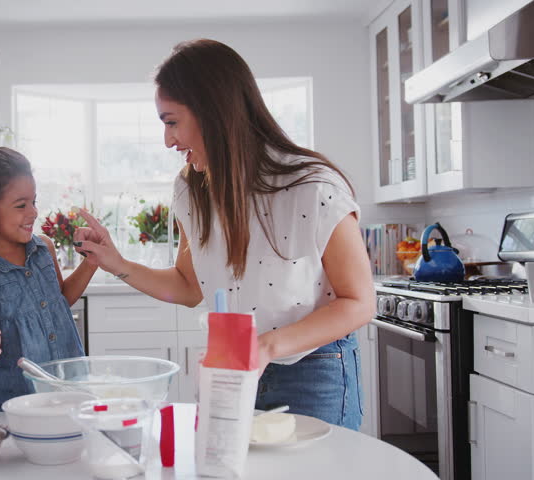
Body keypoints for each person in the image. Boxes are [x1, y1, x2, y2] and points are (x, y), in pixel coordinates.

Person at [73, 39, 375, 430]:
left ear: (212, 112)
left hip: (312, 370)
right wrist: (117, 264)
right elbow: (187, 287)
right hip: (233, 368)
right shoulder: (191, 189)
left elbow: (359, 303)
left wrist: (265, 347)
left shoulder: (313, 187)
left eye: (171, 121)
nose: (168, 140)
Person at [0, 147, 97, 413]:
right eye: (21, 205)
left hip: (65, 391)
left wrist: (91, 261)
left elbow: (61, 299)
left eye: (33, 202)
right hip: (9, 404)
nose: (33, 212)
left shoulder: (43, 249)